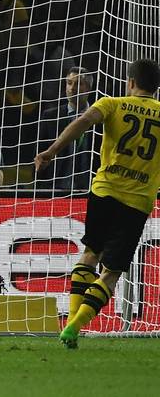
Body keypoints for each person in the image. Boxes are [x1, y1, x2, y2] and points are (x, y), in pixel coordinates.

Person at [36, 58, 160, 349]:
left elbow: (82, 121)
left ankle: (69, 324)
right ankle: (75, 326)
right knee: (112, 273)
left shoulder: (112, 103)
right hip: (138, 200)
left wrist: (51, 151)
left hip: (104, 191)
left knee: (90, 254)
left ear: (130, 82)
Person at [38, 66, 96, 191]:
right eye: (69, 83)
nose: (72, 88)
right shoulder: (50, 116)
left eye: (78, 84)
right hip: (55, 188)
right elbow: (39, 154)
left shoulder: (99, 118)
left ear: (88, 88)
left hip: (91, 189)